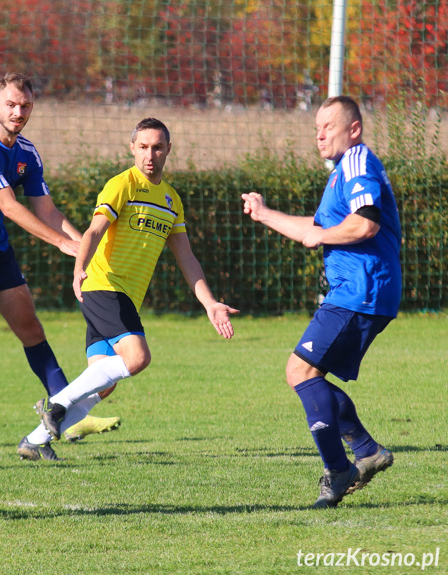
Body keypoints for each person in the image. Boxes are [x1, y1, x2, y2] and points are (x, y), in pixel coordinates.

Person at [0, 72, 120, 460]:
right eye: (11, 104)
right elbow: (8, 206)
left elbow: (46, 210)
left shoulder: (27, 153)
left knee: (31, 330)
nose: (18, 111)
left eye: (25, 105)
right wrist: (62, 243)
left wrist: (84, 245)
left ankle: (68, 414)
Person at [29, 118, 238, 460]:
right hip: (103, 284)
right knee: (137, 357)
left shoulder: (171, 200)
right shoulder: (122, 185)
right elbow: (94, 231)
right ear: (132, 149)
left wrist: (210, 303)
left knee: (104, 382)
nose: (150, 155)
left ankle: (34, 441)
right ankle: (56, 405)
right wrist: (79, 267)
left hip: (125, 295)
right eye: (143, 147)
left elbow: (187, 257)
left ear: (169, 149)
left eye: (157, 147)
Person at [241, 95, 400, 508]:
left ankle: (342, 466)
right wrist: (264, 214)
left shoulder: (357, 162)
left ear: (354, 129)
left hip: (361, 289)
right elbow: (313, 227)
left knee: (300, 371)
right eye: (316, 128)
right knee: (306, 374)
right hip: (357, 291)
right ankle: (363, 451)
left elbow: (365, 223)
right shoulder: (339, 176)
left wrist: (322, 236)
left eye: (327, 126)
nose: (319, 134)